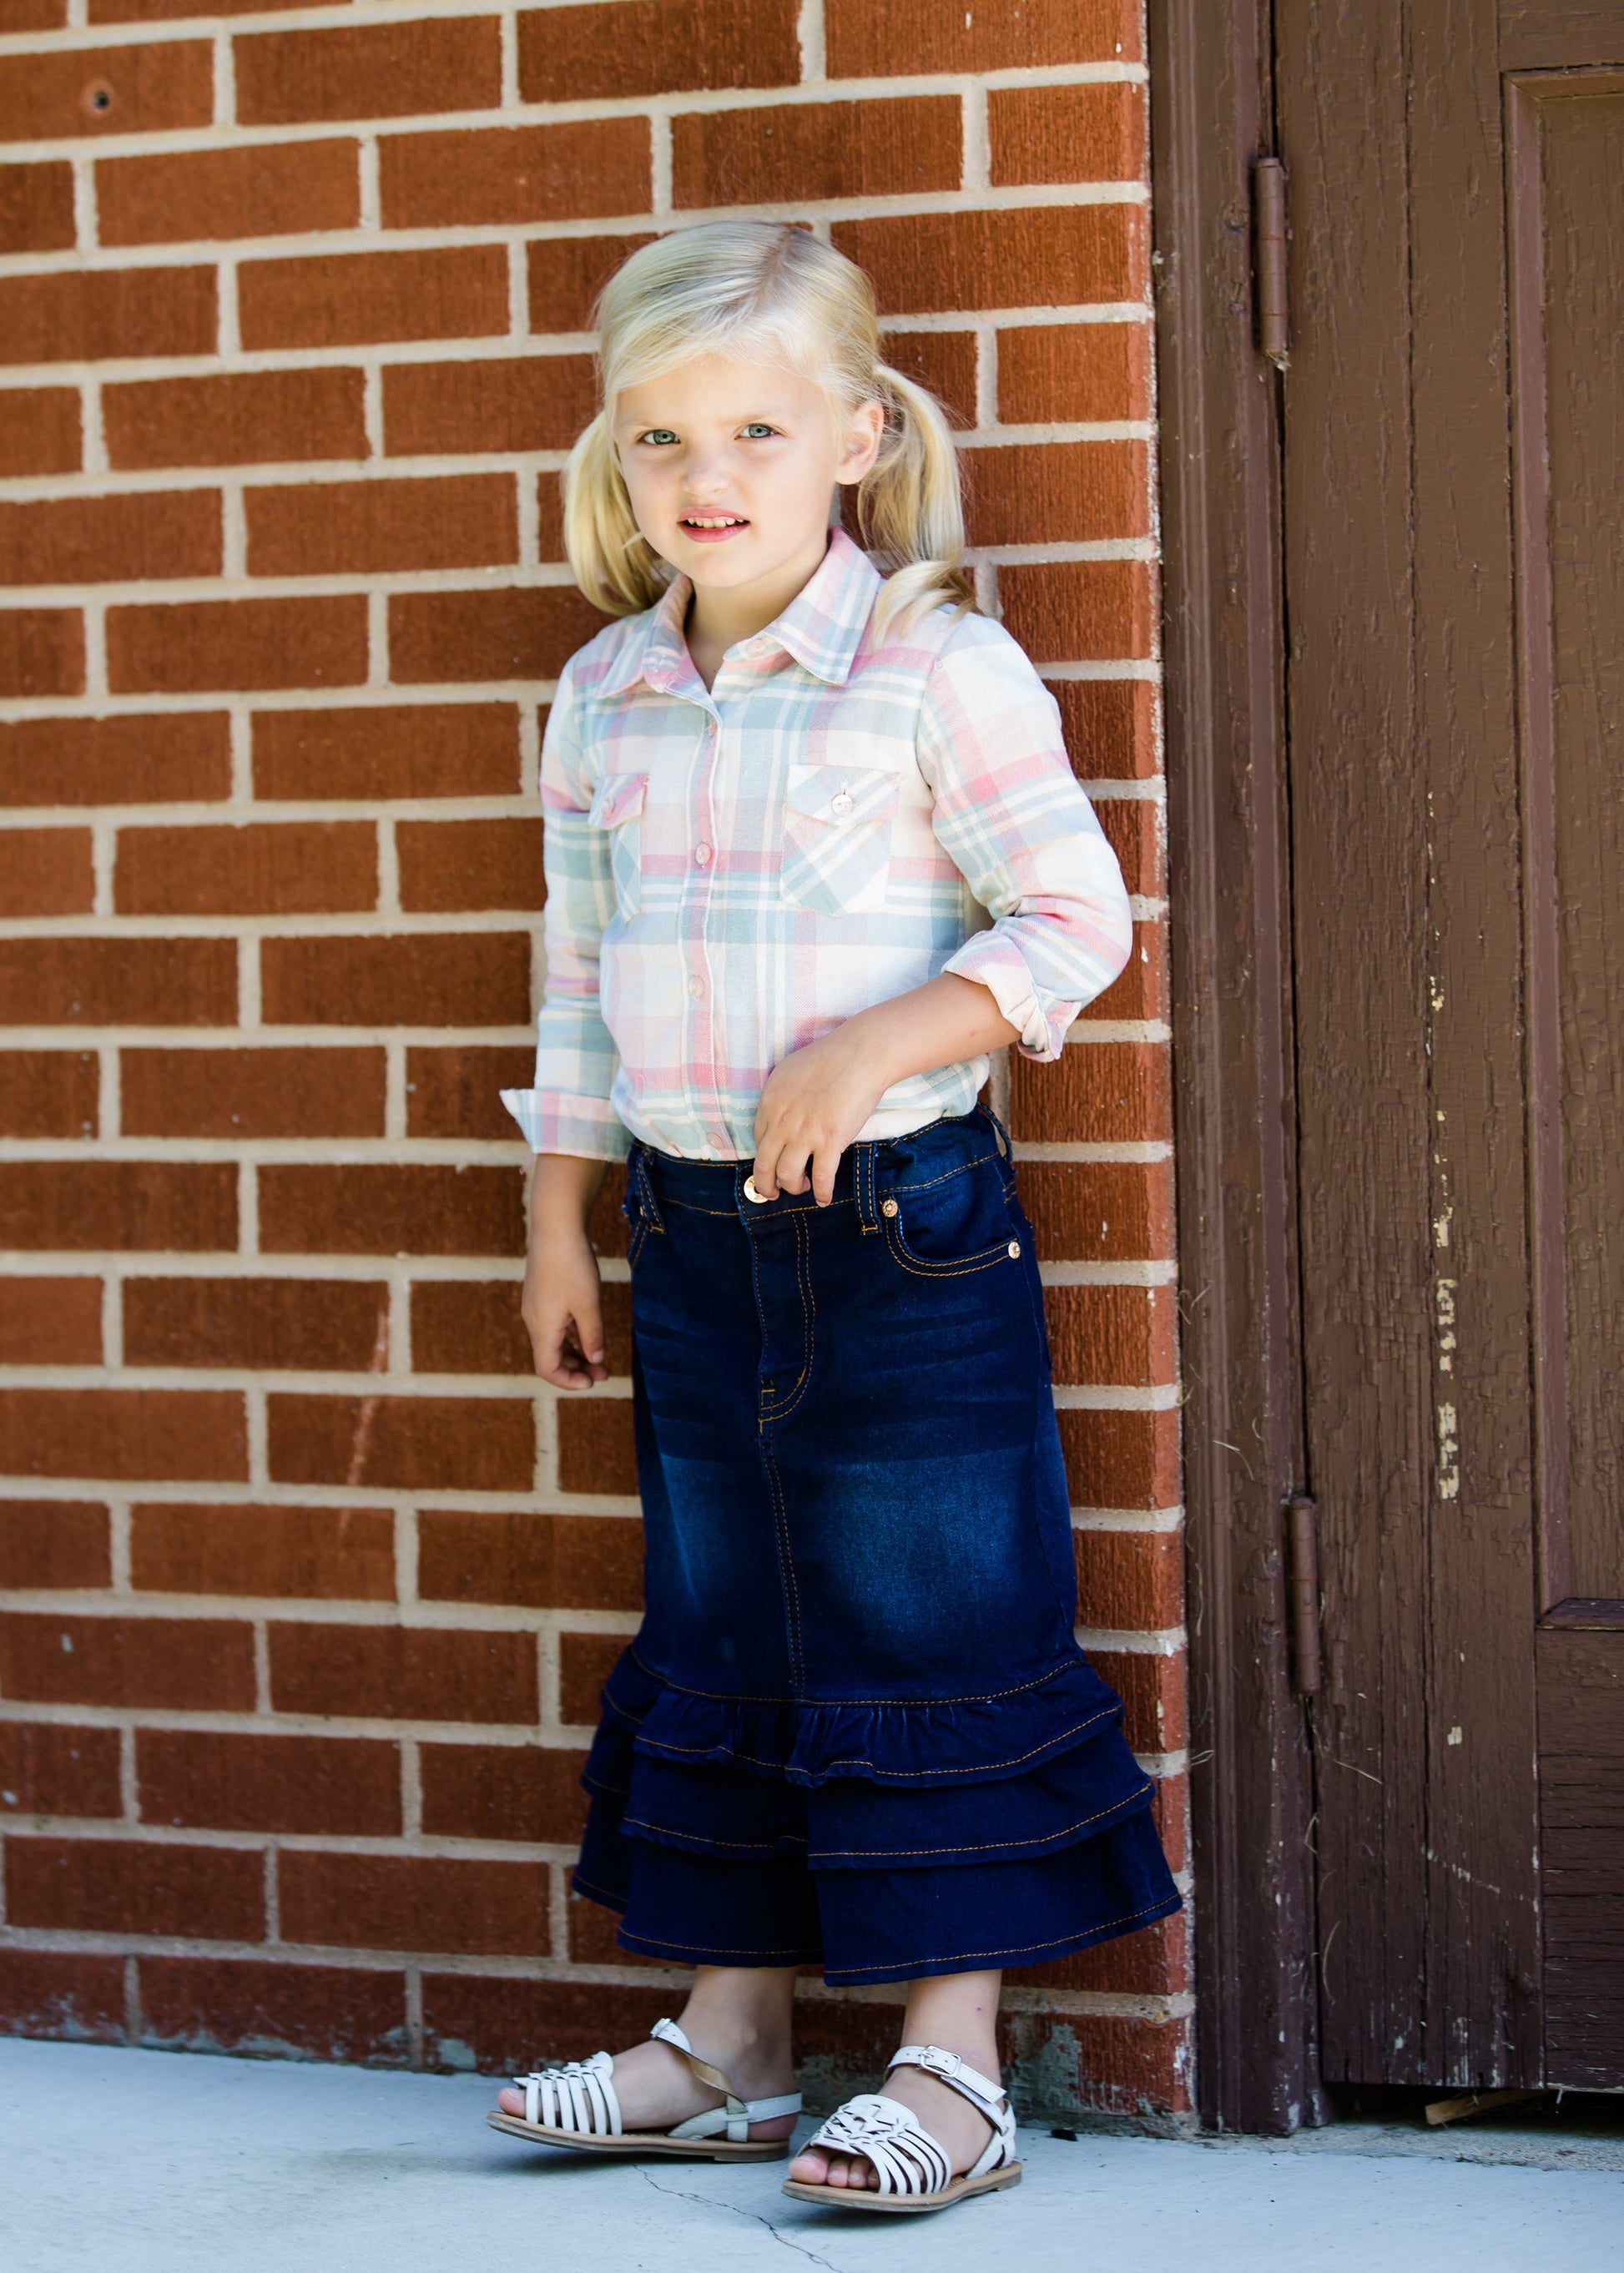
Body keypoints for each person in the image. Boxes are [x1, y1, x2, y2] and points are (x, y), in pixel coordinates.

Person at [489, 219, 1180, 2216]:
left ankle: (950, 2072)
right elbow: (573, 967)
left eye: (757, 432)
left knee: (924, 1611)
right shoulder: (608, 689)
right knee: (725, 1617)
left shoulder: (934, 666)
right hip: (692, 1235)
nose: (702, 480)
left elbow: (1073, 919)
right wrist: (564, 1214)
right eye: (658, 440)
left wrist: (879, 1043)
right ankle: (728, 2034)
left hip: (901, 1231)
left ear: (860, 438)